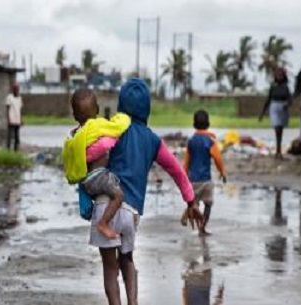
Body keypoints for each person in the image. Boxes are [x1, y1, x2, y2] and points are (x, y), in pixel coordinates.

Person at [87, 78, 203, 305]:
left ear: (121, 105)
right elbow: (177, 171)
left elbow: (91, 154)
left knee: (110, 267)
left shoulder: (112, 130)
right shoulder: (153, 140)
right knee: (127, 260)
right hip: (131, 212)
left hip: (104, 206)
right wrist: (191, 200)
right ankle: (133, 302)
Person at [63, 88, 130, 239]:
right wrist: (123, 117)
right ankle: (103, 223)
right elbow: (117, 128)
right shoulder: (97, 126)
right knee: (119, 196)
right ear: (98, 109)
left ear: (74, 116)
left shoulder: (76, 135)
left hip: (87, 182)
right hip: (98, 177)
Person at [182, 110, 227, 236]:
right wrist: (222, 172)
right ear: (208, 123)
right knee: (208, 204)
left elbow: (186, 161)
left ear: (194, 124)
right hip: (206, 180)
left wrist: (183, 177)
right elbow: (218, 158)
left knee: (193, 204)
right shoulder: (210, 141)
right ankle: (202, 227)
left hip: (193, 181)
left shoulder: (191, 141)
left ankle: (188, 213)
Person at [260, 68, 293, 159]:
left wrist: (287, 104)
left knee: (280, 129)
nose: (279, 77)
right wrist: (262, 113)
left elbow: (290, 99)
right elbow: (268, 99)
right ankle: (278, 150)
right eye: (277, 75)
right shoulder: (273, 87)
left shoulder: (285, 87)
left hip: (283, 108)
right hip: (274, 107)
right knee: (276, 127)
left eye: (280, 75)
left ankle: (279, 150)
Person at [6, 83, 22, 151]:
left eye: (17, 89)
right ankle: (8, 149)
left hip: (17, 120)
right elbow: (7, 108)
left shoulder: (19, 98)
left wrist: (21, 119)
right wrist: (8, 119)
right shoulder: (9, 97)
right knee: (10, 136)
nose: (16, 90)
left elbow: (20, 109)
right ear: (13, 89)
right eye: (15, 88)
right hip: (11, 119)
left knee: (17, 137)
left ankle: (16, 150)